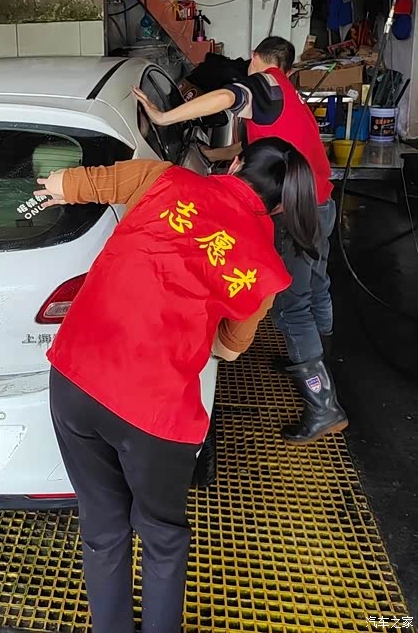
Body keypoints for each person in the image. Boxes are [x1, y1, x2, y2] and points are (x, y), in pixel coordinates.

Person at [35, 138, 318, 633]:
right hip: (154, 413)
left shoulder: (162, 178)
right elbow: (231, 348)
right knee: (162, 537)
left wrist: (53, 187)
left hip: (76, 380)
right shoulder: (264, 270)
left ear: (235, 163)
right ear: (279, 207)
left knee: (102, 526)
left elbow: (69, 183)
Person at [133, 36, 347, 444]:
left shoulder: (266, 83)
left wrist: (163, 118)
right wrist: (216, 157)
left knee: (291, 309)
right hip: (320, 204)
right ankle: (318, 357)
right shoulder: (289, 96)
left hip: (295, 212)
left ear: (256, 59)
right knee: (317, 286)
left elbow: (227, 96)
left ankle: (324, 405)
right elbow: (254, 147)